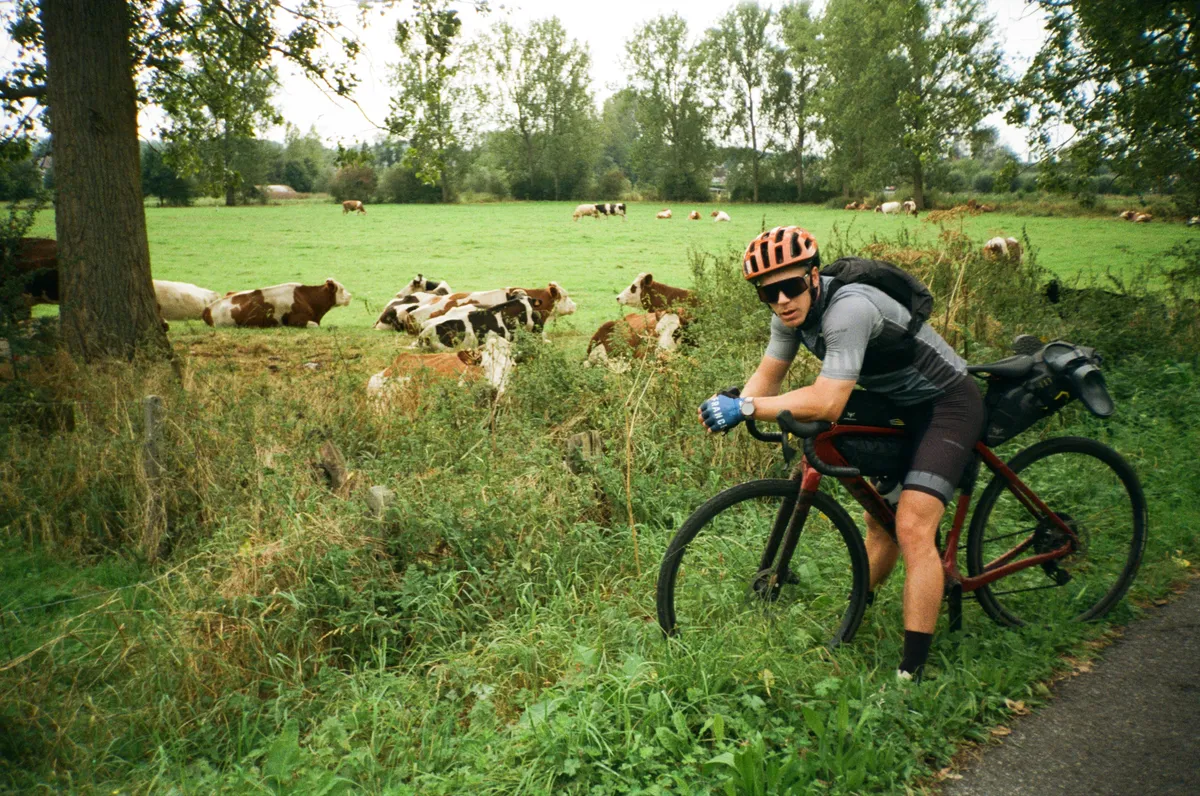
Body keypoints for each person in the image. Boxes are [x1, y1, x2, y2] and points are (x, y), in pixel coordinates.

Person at [698, 226, 985, 681]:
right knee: (881, 520)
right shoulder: (787, 317)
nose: (781, 301)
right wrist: (734, 404)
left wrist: (747, 407)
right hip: (895, 405)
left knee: (912, 527)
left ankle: (911, 675)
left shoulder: (848, 310)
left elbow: (828, 400)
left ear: (813, 276)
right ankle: (859, 607)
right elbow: (767, 379)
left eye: (790, 286)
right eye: (767, 293)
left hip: (947, 402)